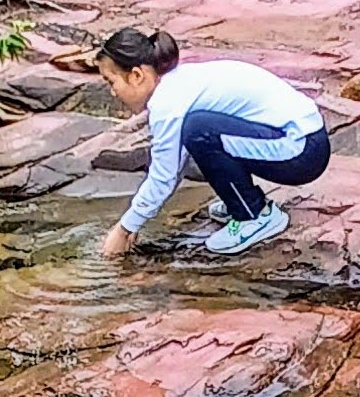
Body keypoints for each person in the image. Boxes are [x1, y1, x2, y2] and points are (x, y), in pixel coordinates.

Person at [92, 26, 332, 261]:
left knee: (200, 131)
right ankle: (239, 201)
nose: (113, 93)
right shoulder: (179, 82)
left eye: (111, 82)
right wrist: (135, 220)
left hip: (301, 150)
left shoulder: (167, 104)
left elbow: (164, 176)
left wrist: (125, 229)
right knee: (199, 131)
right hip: (306, 137)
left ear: (136, 75)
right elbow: (175, 164)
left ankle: (254, 215)